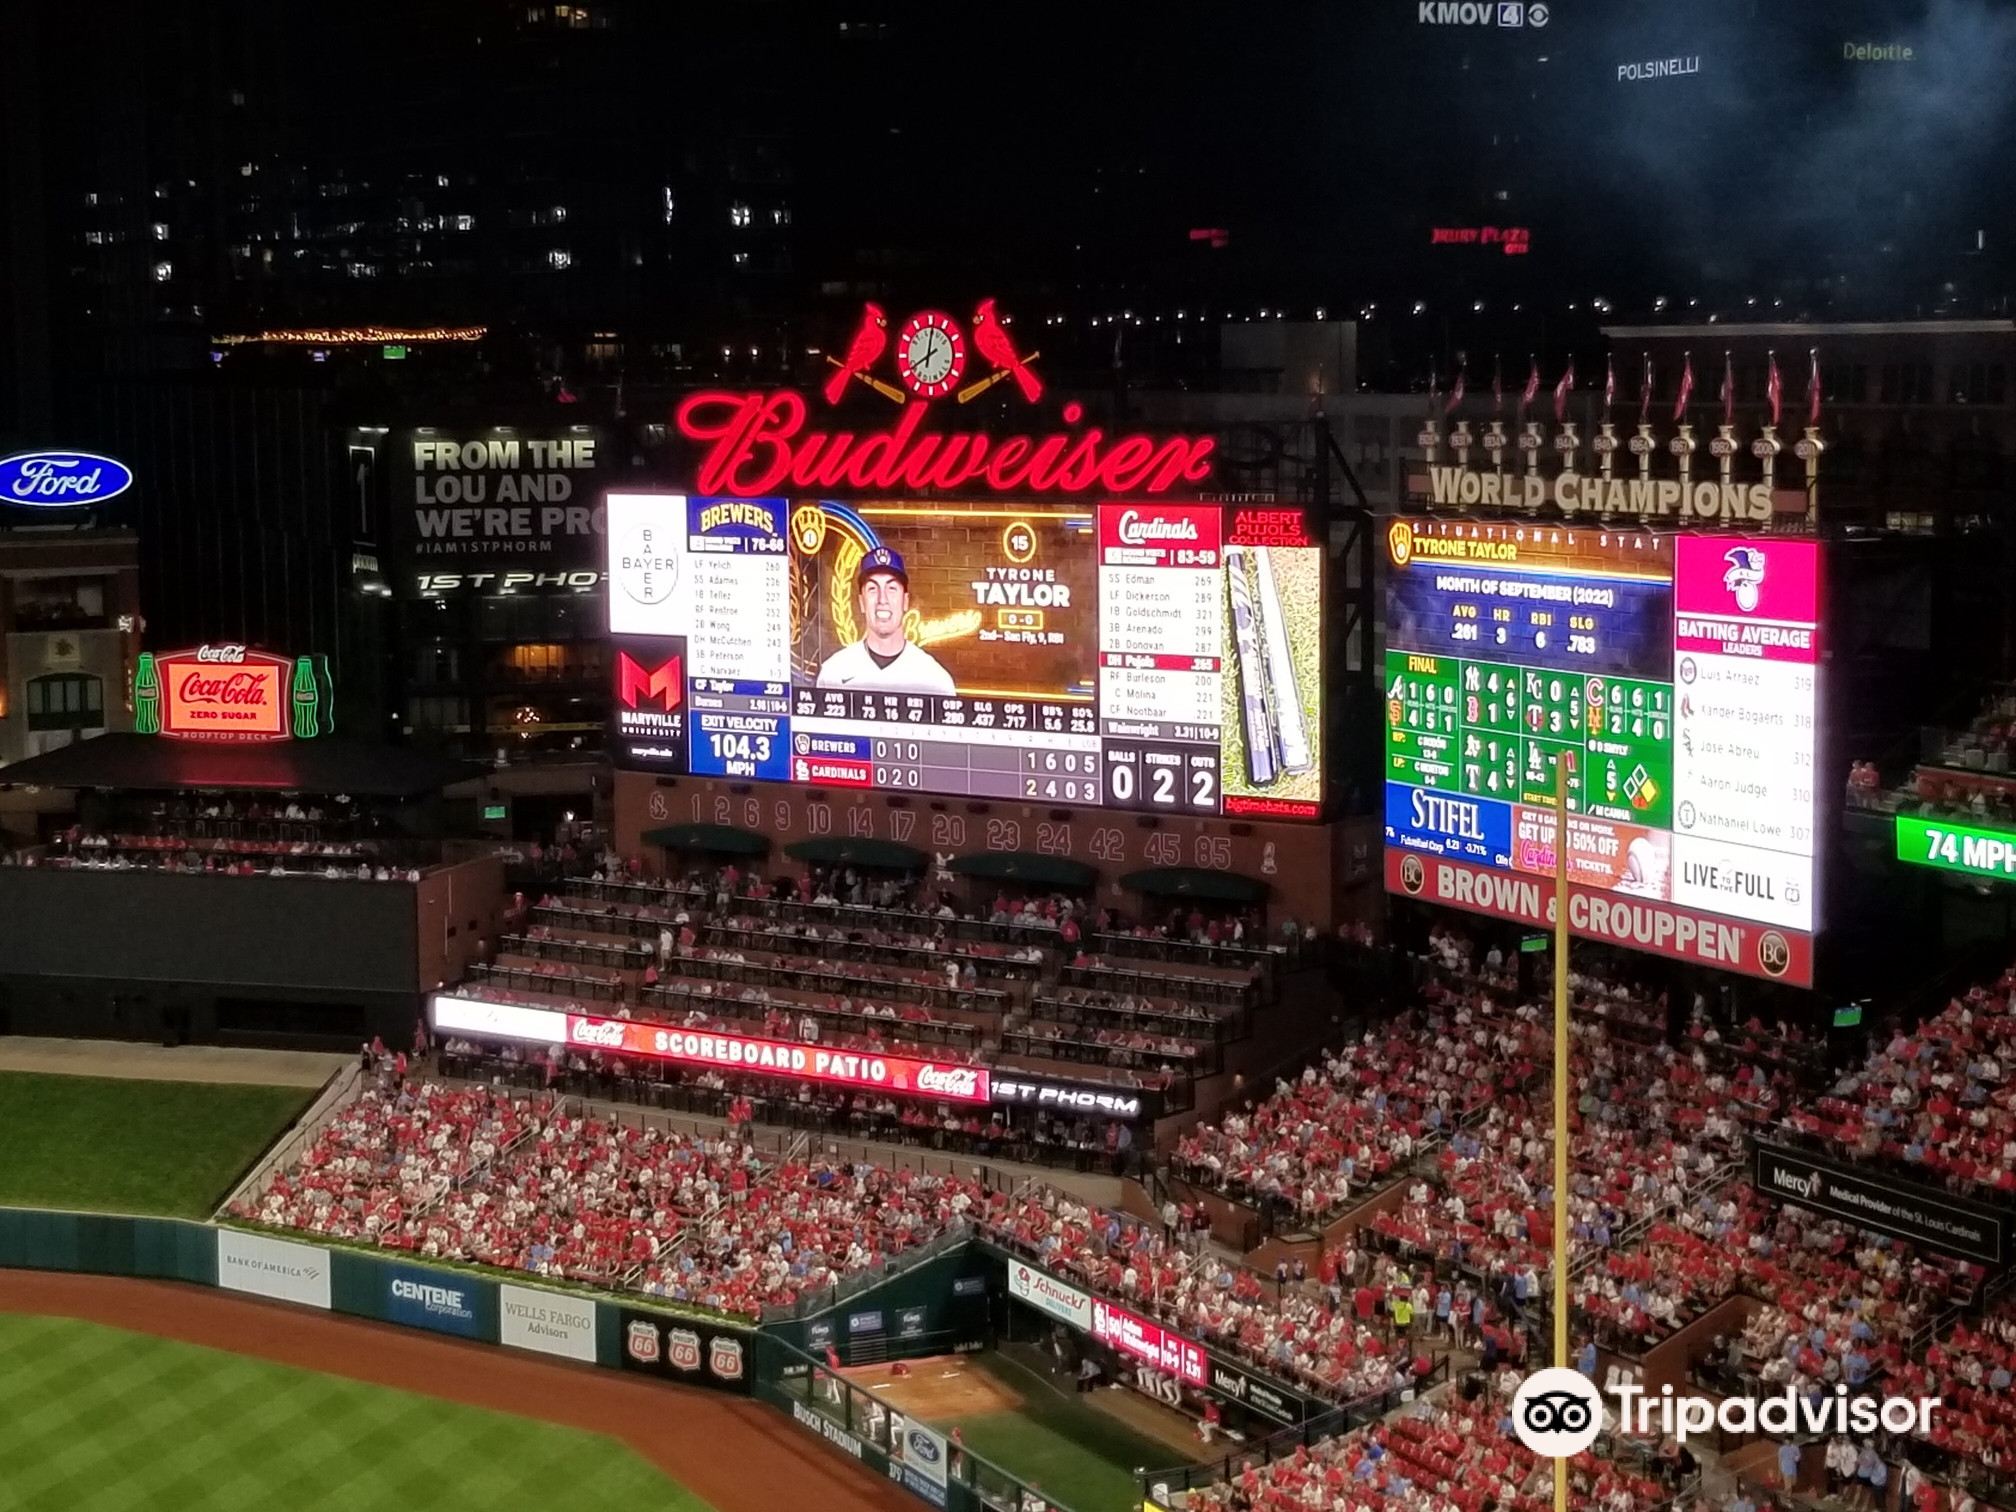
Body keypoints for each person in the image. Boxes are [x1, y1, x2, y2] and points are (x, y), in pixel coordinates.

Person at [814, 548, 957, 696]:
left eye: (892, 588)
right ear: (862, 602)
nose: (882, 600)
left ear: (905, 601)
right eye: (872, 589)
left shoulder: (936, 681)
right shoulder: (833, 673)